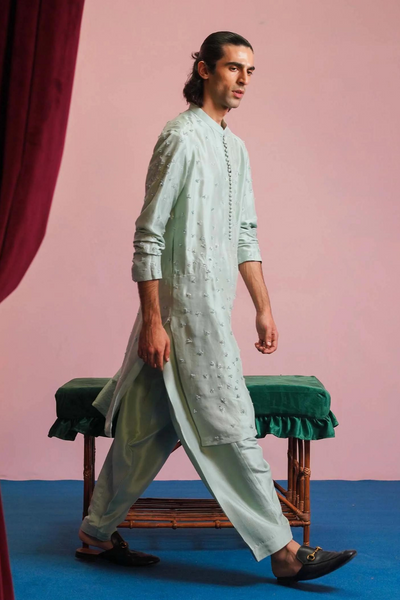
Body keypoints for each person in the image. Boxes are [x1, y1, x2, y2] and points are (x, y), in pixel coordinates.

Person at [76, 31, 357, 583]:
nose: (243, 80)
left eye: (250, 71)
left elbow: (245, 234)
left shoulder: (236, 148)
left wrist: (262, 308)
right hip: (182, 318)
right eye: (233, 68)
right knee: (231, 424)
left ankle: (95, 533)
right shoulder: (180, 137)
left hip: (213, 308)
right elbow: (148, 235)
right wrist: (153, 322)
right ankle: (284, 551)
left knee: (143, 432)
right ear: (204, 70)